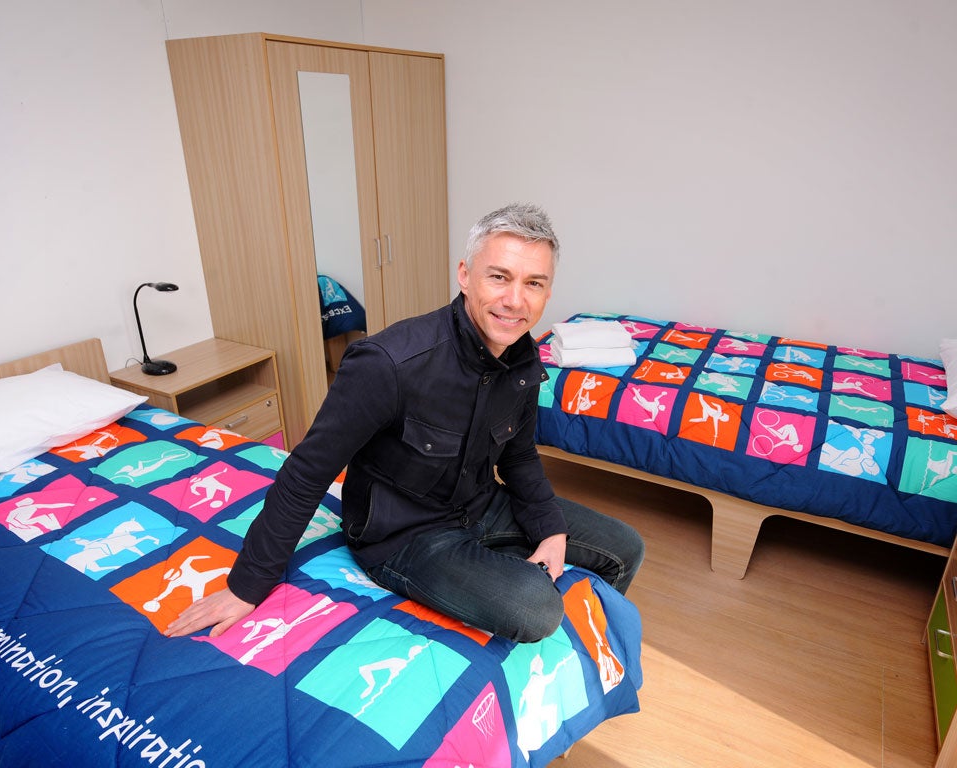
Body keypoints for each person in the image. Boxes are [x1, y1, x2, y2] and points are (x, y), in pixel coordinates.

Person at [166, 203, 644, 643]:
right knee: (536, 608)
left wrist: (549, 528)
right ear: (464, 275)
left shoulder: (521, 356)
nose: (515, 300)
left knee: (626, 548)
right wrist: (247, 586)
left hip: (479, 504)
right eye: (499, 277)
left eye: (534, 283)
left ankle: (589, 652)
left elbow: (518, 455)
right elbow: (306, 473)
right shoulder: (388, 364)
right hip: (405, 534)